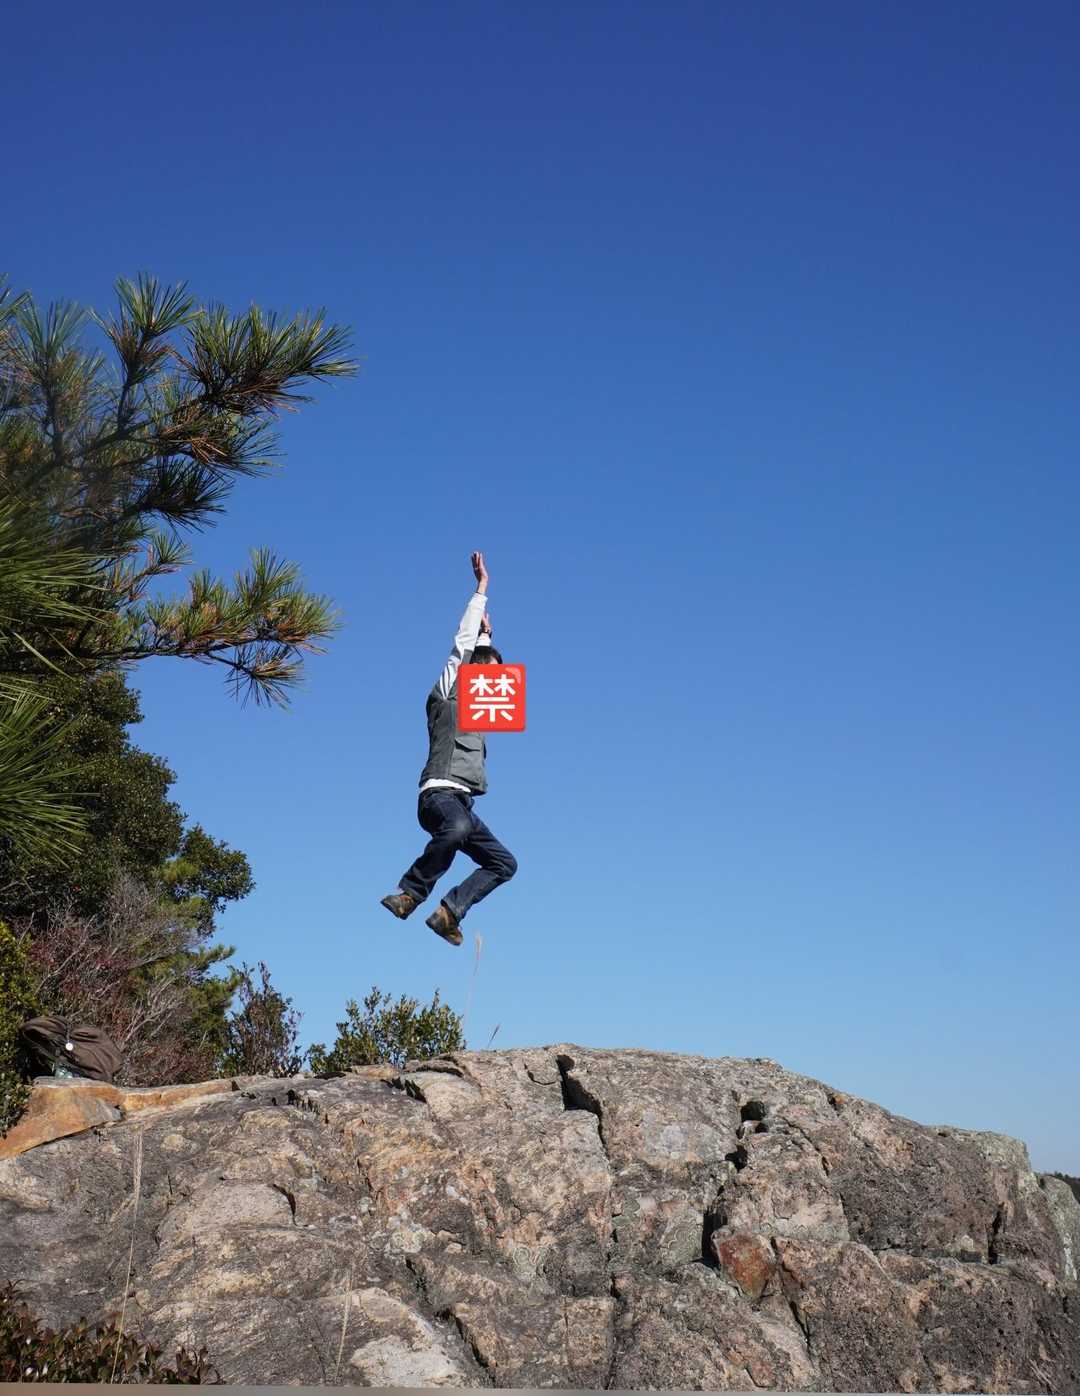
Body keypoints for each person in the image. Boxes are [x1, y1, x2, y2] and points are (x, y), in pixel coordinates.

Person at [380, 551, 518, 946]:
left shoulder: (480, 712)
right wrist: (481, 590)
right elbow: (463, 647)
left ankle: (449, 914)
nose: (494, 684)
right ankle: (410, 894)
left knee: (504, 863)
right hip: (438, 796)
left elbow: (485, 660)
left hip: (464, 806)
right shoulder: (448, 694)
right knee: (456, 828)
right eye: (488, 675)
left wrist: (488, 637)